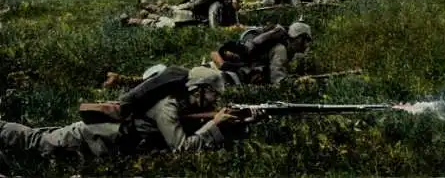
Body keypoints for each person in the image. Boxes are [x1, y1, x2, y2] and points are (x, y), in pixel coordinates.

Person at [0, 66, 248, 169]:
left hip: (102, 141)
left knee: (38, 136)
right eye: (214, 95)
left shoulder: (181, 103)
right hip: (90, 139)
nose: (216, 101)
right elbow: (182, 149)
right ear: (199, 89)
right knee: (34, 141)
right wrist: (215, 125)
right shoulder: (168, 106)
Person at [210, 21, 313, 85]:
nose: (307, 45)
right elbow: (277, 79)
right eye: (306, 40)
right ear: (299, 38)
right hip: (246, 72)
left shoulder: (286, 47)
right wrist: (295, 84)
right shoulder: (281, 49)